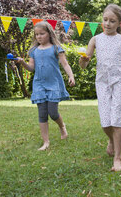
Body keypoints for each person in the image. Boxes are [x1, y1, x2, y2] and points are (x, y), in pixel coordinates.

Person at [79, 4, 121, 171]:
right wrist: (83, 60)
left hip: (119, 82)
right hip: (102, 82)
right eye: (105, 20)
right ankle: (111, 140)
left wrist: (117, 72)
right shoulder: (95, 39)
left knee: (117, 121)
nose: (107, 23)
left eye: (112, 21)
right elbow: (83, 65)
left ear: (119, 24)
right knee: (105, 123)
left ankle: (117, 158)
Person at [17, 21, 75, 151]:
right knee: (42, 113)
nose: (39, 37)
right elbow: (31, 68)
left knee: (53, 113)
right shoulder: (33, 51)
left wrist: (71, 76)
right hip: (39, 85)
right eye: (36, 34)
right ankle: (46, 142)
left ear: (49, 34)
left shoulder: (56, 48)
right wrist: (22, 63)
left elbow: (65, 64)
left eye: (42, 34)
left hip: (53, 84)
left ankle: (62, 127)